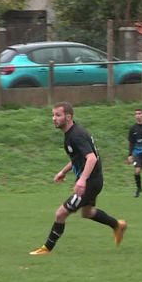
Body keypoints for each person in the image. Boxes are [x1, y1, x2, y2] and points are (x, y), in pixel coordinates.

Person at [30, 102, 127, 255]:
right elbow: (78, 158)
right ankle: (117, 225)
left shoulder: (76, 135)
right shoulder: (71, 134)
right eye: (53, 115)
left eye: (58, 115)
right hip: (93, 180)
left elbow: (91, 158)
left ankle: (46, 248)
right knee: (87, 213)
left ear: (68, 117)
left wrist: (82, 180)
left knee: (60, 213)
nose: (53, 118)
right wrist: (63, 172)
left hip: (90, 182)